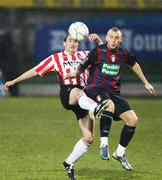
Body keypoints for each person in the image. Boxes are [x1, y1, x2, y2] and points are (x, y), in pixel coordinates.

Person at [4, 33, 109, 180]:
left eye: (76, 42)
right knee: (78, 93)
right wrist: (15, 80)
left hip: (84, 99)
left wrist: (99, 41)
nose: (73, 44)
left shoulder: (85, 55)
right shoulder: (56, 58)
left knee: (89, 138)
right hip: (69, 93)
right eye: (70, 41)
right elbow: (35, 70)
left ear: (79, 44)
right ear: (64, 43)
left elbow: (105, 55)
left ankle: (69, 162)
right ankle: (96, 108)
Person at [65, 27, 155, 171]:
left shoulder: (124, 53)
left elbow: (134, 64)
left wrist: (146, 83)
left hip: (114, 92)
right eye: (111, 37)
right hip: (95, 89)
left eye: (116, 38)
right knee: (109, 105)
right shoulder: (97, 52)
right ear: (107, 37)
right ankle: (104, 144)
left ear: (121, 40)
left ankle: (120, 153)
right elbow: (83, 66)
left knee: (133, 120)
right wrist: (74, 74)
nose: (113, 40)